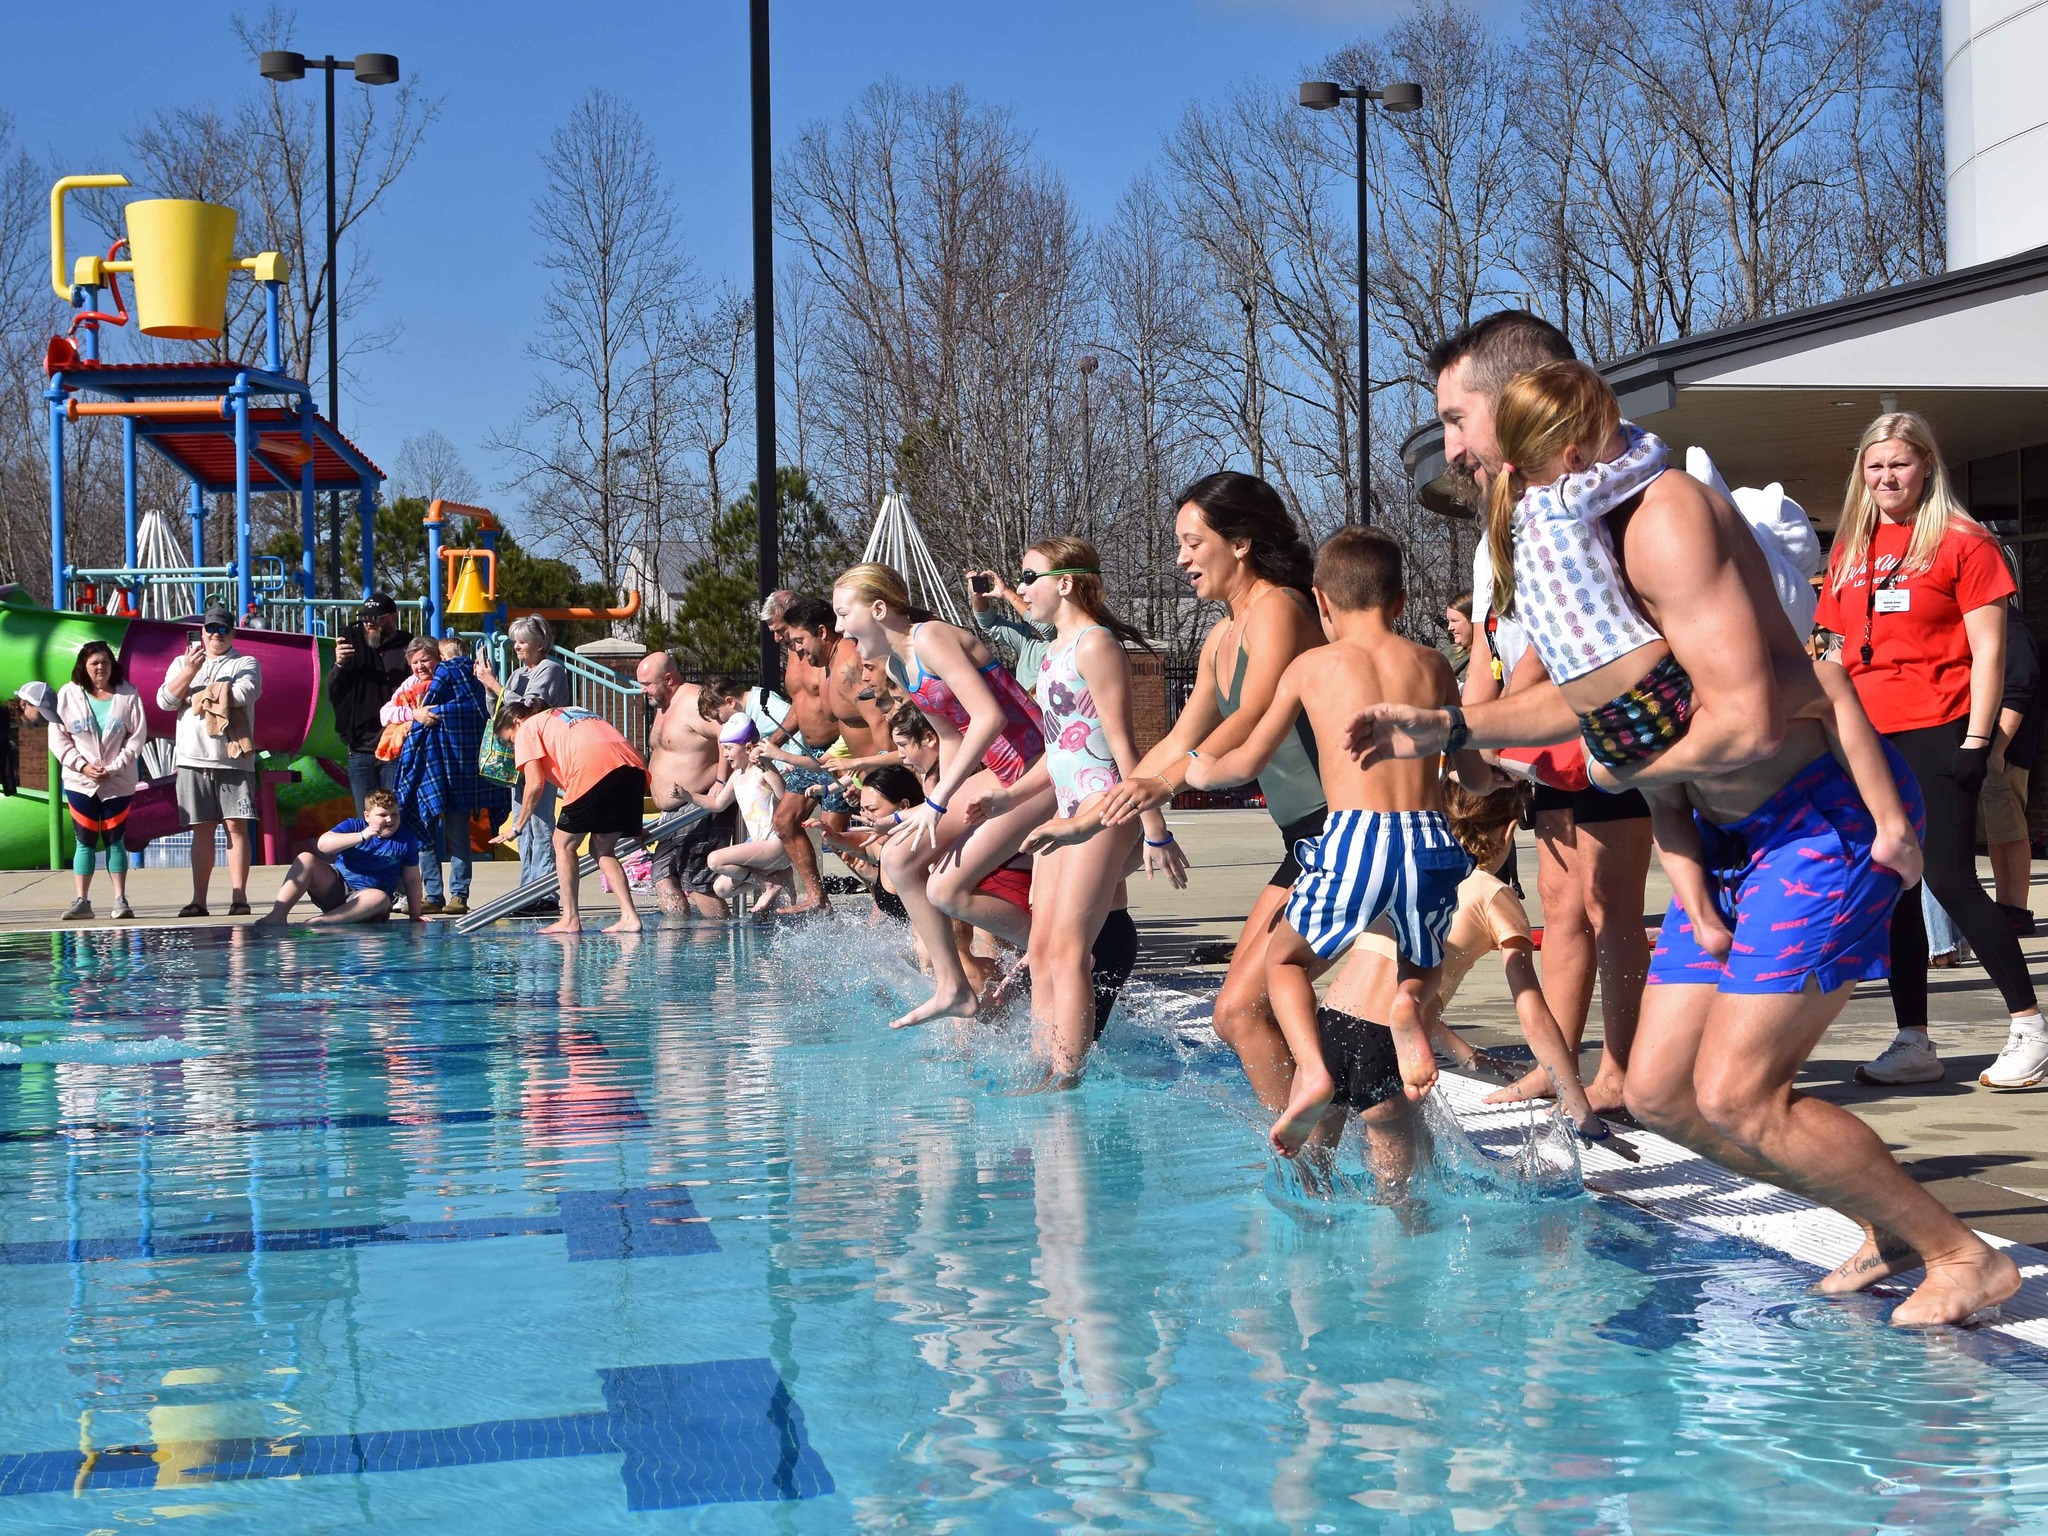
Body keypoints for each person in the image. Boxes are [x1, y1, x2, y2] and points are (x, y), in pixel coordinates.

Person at [1350, 314, 2014, 1329]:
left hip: (1818, 822)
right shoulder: (1570, 530)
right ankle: (1879, 1218)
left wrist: (1621, 764)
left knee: (1739, 1092)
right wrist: (1449, 726)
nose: (1450, 447)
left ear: (1524, 404)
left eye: (1454, 418)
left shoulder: (1658, 519)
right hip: (1732, 836)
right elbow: (1586, 691)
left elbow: (1749, 720)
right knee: (1661, 1094)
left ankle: (1962, 1256)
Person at [1187, 526, 1477, 1155]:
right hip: (1430, 839)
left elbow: (1248, 759)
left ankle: (1314, 1072)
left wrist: (1198, 771)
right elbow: (1474, 773)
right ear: (1400, 601)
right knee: (1421, 959)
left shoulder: (1311, 666)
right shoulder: (1433, 664)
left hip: (1354, 838)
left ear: (1320, 600)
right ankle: (1407, 1004)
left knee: (1285, 961)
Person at [1813, 411, 2047, 1091]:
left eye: (1900, 464)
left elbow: (1990, 652)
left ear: (1926, 467)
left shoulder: (1963, 542)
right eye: (1875, 465)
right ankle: (1913, 1039)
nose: (1886, 477)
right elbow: (1831, 647)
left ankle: (2030, 1027)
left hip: (1939, 728)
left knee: (1948, 879)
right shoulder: (1852, 545)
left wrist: (1979, 740)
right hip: (1866, 737)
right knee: (1895, 886)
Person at [1455, 316, 1650, 1118]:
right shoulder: (1503, 523)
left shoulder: (1577, 504)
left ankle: (1622, 1070)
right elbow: (1495, 638)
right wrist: (1478, 723)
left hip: (1601, 725)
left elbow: (1559, 636)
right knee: (1562, 904)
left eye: (1457, 419)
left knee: (1612, 904)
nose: (1452, 446)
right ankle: (1560, 1062)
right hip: (1546, 738)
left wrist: (1487, 725)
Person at [1099, 472, 1332, 1138]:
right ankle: (1323, 1150)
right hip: (1302, 844)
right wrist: (1095, 811)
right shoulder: (1221, 636)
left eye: (1192, 542)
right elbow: (1178, 739)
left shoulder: (1281, 608)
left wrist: (1166, 787)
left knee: (1240, 1011)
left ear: (1241, 542)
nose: (1181, 558)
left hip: (1344, 833)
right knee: (1236, 1013)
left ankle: (1313, 1167)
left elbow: (1251, 718)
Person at [1319, 780, 1629, 1194]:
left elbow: (1392, 997)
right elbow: (1534, 1016)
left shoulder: (1409, 871)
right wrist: (1584, 1117)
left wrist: (1465, 1056)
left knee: (1310, 1182)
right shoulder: (1493, 894)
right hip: (1386, 1046)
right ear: (1508, 831)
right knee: (1405, 1200)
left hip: (1327, 1027)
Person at [832, 561, 1056, 1029]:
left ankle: (1053, 951)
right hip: (1001, 773)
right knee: (899, 858)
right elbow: (951, 738)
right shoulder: (899, 664)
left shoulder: (930, 638)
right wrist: (932, 804)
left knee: (946, 889)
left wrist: (937, 804)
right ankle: (952, 987)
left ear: (878, 609)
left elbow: (990, 717)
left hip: (1039, 771)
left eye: (843, 614)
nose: (838, 628)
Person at [997, 538, 1184, 1086]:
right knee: (1040, 950)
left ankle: (1066, 1077)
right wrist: (1008, 798)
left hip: (1105, 805)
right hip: (1066, 809)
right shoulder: (1053, 650)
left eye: (1028, 577)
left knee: (1070, 951)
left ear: (1066, 583)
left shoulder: (1096, 644)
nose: (1021, 588)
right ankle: (1041, 1064)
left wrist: (1154, 829)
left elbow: (1125, 747)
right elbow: (1060, 750)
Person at [492, 700, 647, 935]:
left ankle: (570, 919)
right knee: (603, 849)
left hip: (592, 770)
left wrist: (517, 827)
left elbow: (534, 785)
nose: (513, 746)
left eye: (509, 741)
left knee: (563, 843)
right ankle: (630, 917)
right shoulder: (571, 711)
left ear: (517, 722)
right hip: (634, 770)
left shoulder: (527, 728)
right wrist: (632, 823)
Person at [767, 594, 879, 914]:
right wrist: (775, 742)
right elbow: (801, 704)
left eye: (782, 631)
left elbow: (874, 717)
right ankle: (817, 897)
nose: (780, 639)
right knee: (785, 821)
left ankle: (882, 891)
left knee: (834, 833)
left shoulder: (839, 658)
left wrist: (867, 766)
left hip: (846, 753)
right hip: (818, 751)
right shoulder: (800, 653)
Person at [156, 603, 262, 918]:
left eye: (223, 629)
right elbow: (165, 700)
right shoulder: (181, 663)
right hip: (192, 758)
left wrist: (194, 696)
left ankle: (239, 898)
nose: (217, 635)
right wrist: (190, 673)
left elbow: (244, 694)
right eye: (211, 629)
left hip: (232, 759)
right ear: (202, 632)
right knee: (201, 831)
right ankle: (198, 900)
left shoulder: (246, 662)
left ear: (232, 633)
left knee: (236, 828)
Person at [394, 635, 507, 917]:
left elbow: (465, 709)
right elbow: (387, 713)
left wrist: (430, 712)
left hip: (440, 768)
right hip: (443, 770)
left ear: (439, 659)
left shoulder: (451, 677)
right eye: (416, 662)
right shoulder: (466, 678)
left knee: (437, 833)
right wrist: (414, 713)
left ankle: (449, 895)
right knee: (434, 835)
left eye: (427, 660)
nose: (422, 666)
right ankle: (445, 895)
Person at [473, 616, 571, 895]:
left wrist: (494, 684)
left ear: (540, 644)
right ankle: (527, 887)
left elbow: (529, 709)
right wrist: (488, 687)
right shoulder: (518, 674)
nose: (516, 646)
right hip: (520, 755)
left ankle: (545, 890)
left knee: (540, 823)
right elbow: (501, 713)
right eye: (515, 641)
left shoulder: (551, 669)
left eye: (522, 642)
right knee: (522, 823)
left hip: (543, 754)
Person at [51, 640, 147, 921]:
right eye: (94, 663)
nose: (100, 667)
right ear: (84, 666)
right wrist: (82, 766)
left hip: (118, 782)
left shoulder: (128, 694)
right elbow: (58, 737)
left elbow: (136, 737)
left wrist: (115, 767)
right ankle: (82, 900)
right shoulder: (68, 694)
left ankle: (120, 899)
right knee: (85, 839)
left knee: (115, 839)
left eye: (105, 662)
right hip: (80, 782)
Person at [638, 657, 739, 918]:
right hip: (673, 812)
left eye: (647, 684)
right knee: (663, 876)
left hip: (699, 803)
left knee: (698, 882)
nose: (642, 690)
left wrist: (721, 781)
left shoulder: (693, 701)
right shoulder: (663, 707)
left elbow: (727, 732)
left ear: (668, 679)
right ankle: (677, 938)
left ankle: (718, 937)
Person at [255, 788, 425, 926]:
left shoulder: (406, 839)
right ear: (367, 816)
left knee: (380, 898)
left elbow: (412, 879)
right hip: (336, 888)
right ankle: (277, 915)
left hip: (367, 901)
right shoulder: (354, 825)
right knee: (305, 858)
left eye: (394, 814)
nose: (389, 819)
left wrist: (415, 914)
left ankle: (320, 922)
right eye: (382, 815)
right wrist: (362, 836)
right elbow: (323, 845)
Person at [686, 717, 794, 913]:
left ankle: (767, 884)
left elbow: (784, 797)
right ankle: (775, 879)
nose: (725, 754)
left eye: (728, 748)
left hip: (776, 844)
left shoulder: (762, 770)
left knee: (715, 860)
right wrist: (687, 796)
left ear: (748, 748)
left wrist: (771, 768)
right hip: (759, 846)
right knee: (721, 888)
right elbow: (717, 804)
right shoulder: (736, 777)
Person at [328, 592, 412, 813]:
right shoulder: (354, 646)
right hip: (360, 748)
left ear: (392, 617)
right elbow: (334, 691)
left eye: (375, 618)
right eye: (365, 618)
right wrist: (339, 664)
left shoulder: (407, 647)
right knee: (366, 817)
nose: (369, 623)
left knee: (395, 814)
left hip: (395, 746)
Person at [1986, 602, 2039, 935]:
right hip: (1995, 749)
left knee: (2011, 830)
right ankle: (2005, 904)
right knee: (1998, 832)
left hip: (2006, 750)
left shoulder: (2014, 630)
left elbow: (2018, 692)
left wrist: (1999, 749)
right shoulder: (1999, 627)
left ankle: (2017, 909)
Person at [1444, 592, 1474, 686]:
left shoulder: (1483, 658)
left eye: (1455, 621)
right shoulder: (1449, 652)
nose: (1450, 628)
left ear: (1473, 621)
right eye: (1449, 621)